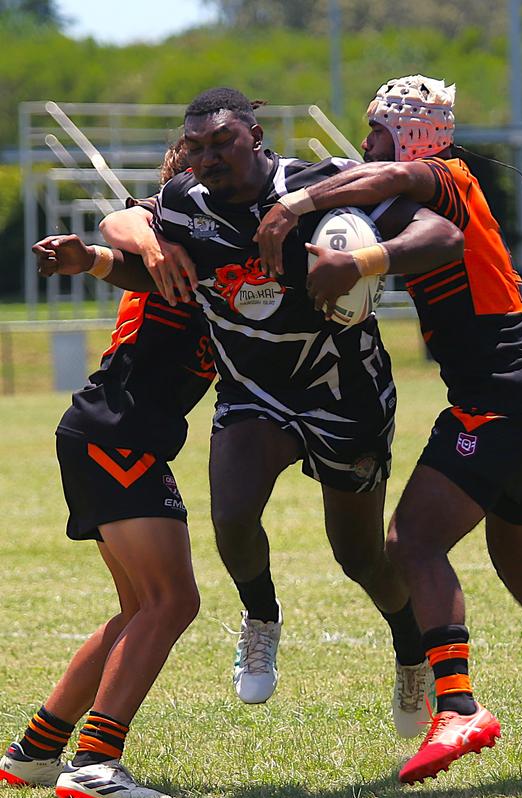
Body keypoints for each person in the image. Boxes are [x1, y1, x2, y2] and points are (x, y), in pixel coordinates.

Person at [254, 74, 522, 782]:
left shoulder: (443, 175)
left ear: (408, 134)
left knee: (411, 542)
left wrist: (312, 212)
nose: (366, 144)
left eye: (376, 130)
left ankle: (459, 706)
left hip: (504, 395)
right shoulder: (413, 190)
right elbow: (367, 180)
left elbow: (402, 192)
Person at [99, 86, 464, 739]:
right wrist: (153, 246)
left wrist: (362, 260)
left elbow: (441, 232)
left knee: (357, 554)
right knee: (233, 517)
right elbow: (119, 222)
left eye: (222, 143)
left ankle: (412, 651)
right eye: (197, 147)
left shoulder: (317, 183)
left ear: (256, 139)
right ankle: (261, 617)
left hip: (344, 393)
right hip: (253, 393)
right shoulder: (188, 201)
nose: (209, 157)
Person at [0, 146, 217, 798]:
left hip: (114, 434)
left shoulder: (207, 246)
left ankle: (37, 748)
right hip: (119, 434)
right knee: (172, 601)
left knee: (141, 606)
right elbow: (124, 229)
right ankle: (95, 760)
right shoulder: (174, 240)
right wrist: (101, 255)